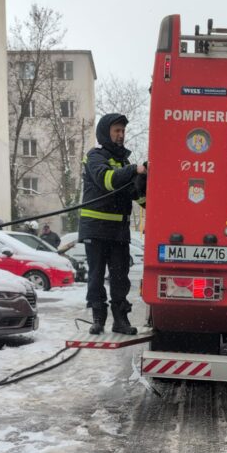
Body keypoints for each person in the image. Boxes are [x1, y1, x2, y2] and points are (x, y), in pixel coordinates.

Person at [78, 113, 147, 335]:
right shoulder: (94, 157)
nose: (121, 135)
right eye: (116, 131)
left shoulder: (124, 162)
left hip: (118, 231)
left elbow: (135, 194)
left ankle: (120, 321)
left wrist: (145, 186)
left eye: (123, 131)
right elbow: (108, 180)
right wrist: (134, 170)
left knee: (120, 278)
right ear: (105, 132)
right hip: (96, 229)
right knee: (96, 276)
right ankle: (98, 319)